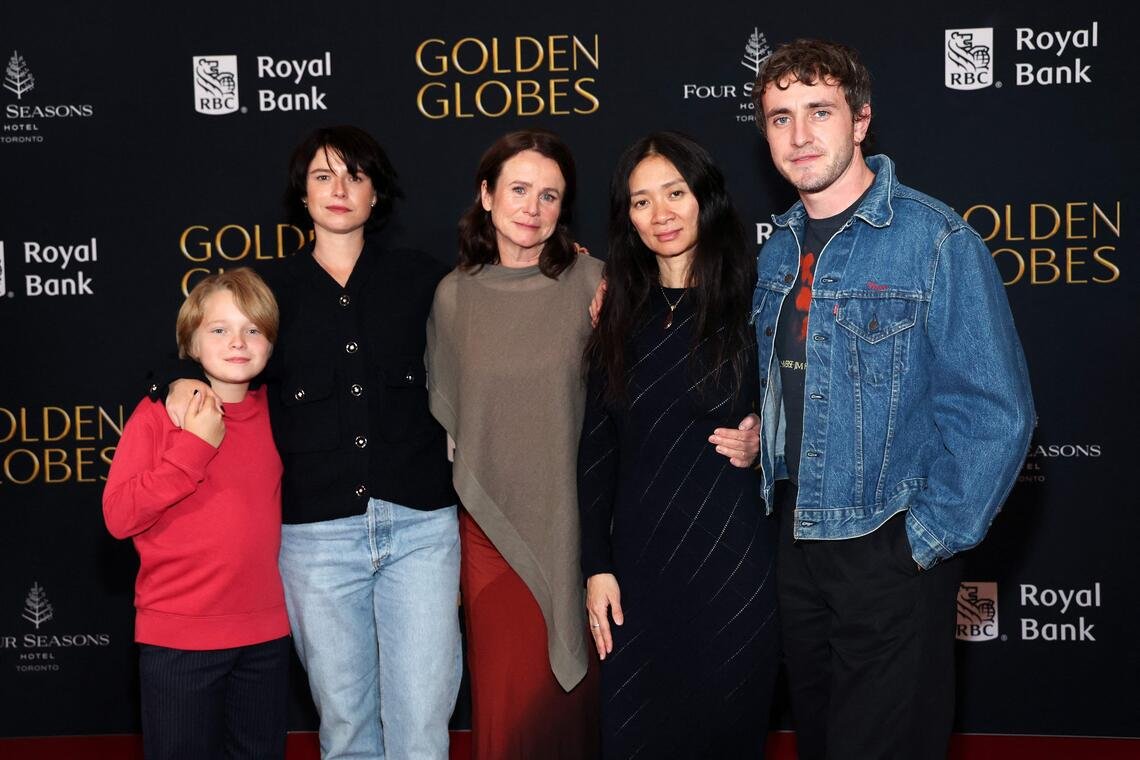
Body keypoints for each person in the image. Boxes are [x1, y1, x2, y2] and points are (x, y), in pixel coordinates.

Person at [751, 39, 1035, 759]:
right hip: (795, 542)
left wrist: (922, 543)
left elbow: (996, 412)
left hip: (887, 541)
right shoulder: (777, 248)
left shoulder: (934, 239)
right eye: (781, 117)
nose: (800, 134)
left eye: (820, 111)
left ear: (861, 120)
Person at [161, 126, 460, 760]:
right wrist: (177, 379)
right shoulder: (267, 290)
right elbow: (201, 338)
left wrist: (565, 269)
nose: (339, 189)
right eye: (323, 177)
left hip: (421, 531)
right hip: (317, 539)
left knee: (423, 726)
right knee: (346, 728)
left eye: (355, 176)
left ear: (377, 194)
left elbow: (499, 312)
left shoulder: (425, 280)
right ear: (303, 194)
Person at [578, 131, 780, 759]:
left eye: (675, 193)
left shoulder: (756, 301)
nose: (660, 213)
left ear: (705, 198)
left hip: (731, 563)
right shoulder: (616, 313)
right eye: (641, 201)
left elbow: (807, 411)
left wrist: (765, 438)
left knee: (725, 734)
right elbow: (597, 450)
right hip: (639, 573)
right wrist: (596, 567)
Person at [426, 129, 603, 759]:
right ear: (487, 195)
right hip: (491, 535)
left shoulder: (595, 282)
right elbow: (454, 424)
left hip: (578, 529)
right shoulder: (453, 296)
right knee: (506, 711)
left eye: (549, 195)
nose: (532, 207)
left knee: (568, 717)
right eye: (519, 189)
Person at [105, 268, 290, 760]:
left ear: (272, 343)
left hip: (266, 637)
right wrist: (193, 449)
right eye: (219, 329)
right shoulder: (160, 415)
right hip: (178, 638)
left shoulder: (281, 413)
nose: (238, 342)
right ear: (191, 341)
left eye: (254, 329)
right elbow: (119, 516)